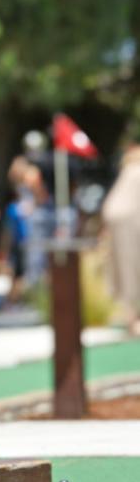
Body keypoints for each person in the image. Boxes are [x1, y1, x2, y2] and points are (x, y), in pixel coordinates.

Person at [101, 137, 140, 336]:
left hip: (120, 220)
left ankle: (131, 318)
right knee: (130, 270)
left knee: (126, 270)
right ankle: (132, 320)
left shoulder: (130, 170)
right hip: (130, 222)